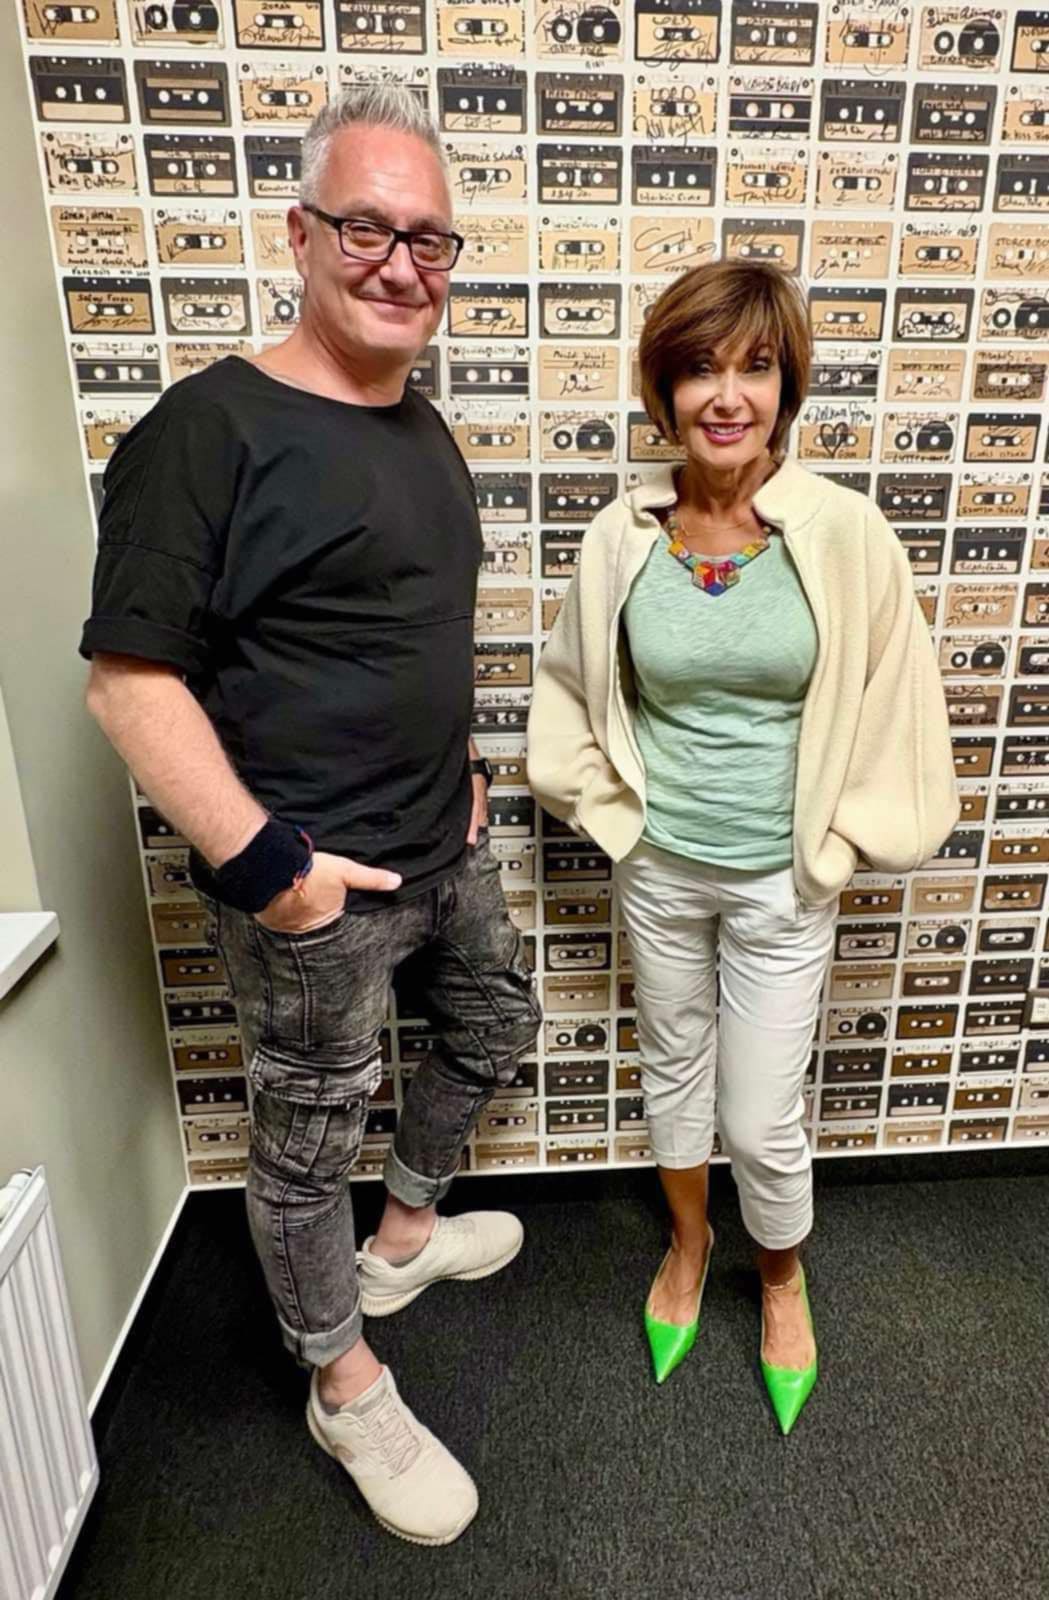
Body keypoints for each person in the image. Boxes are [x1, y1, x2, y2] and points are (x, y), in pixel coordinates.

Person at [81, 85, 541, 1543]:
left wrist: (464, 777)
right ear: (299, 233)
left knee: (493, 1023)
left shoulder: (421, 426)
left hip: (443, 846)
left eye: (429, 239)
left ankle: (401, 1239)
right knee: (304, 1144)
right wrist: (277, 869)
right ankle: (343, 1384)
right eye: (366, 229)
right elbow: (129, 684)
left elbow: (404, 629)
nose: (401, 264)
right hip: (314, 892)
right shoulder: (206, 428)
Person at [527, 258, 958, 1434]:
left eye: (755, 367)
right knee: (672, 1067)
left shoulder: (844, 532)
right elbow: (567, 687)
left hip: (781, 879)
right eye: (700, 369)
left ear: (785, 387)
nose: (727, 395)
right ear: (664, 392)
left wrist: (841, 840)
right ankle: (687, 1243)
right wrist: (610, 811)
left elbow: (897, 699)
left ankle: (779, 1277)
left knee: (761, 1113)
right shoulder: (620, 536)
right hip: (659, 869)